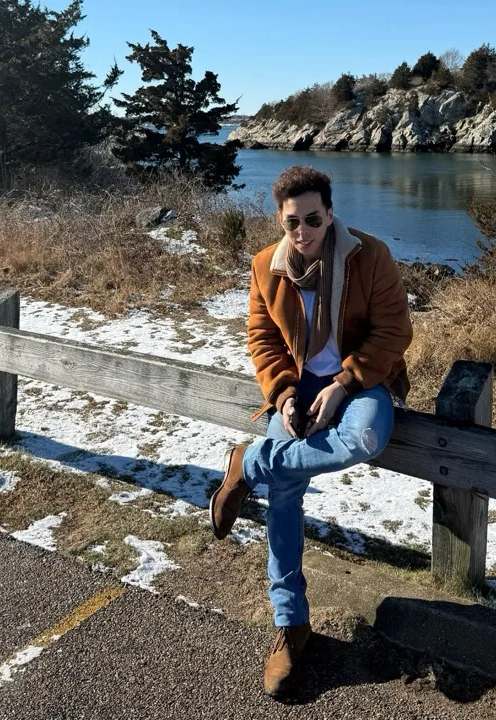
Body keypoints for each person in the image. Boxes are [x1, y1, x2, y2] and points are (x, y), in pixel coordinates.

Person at [209, 165, 413, 699]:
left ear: (330, 212)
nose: (303, 232)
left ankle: (249, 464)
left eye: (313, 220)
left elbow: (395, 330)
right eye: (292, 222)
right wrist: (282, 395)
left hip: (362, 381)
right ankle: (291, 623)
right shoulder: (265, 266)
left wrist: (344, 383)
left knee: (362, 440)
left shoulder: (370, 255)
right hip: (297, 388)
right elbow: (262, 338)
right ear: (281, 220)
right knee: (284, 493)